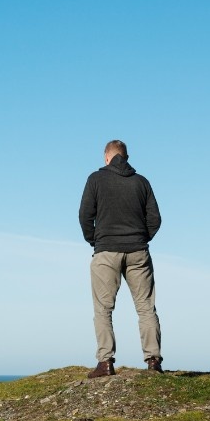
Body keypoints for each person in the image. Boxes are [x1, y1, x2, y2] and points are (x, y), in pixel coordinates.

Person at [78, 139, 163, 378]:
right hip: (138, 252)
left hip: (106, 250)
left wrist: (95, 241)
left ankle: (105, 363)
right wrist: (139, 239)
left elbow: (85, 215)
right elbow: (155, 219)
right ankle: (153, 361)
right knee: (146, 307)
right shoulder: (142, 182)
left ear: (107, 157)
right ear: (126, 157)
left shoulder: (95, 179)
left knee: (103, 309)